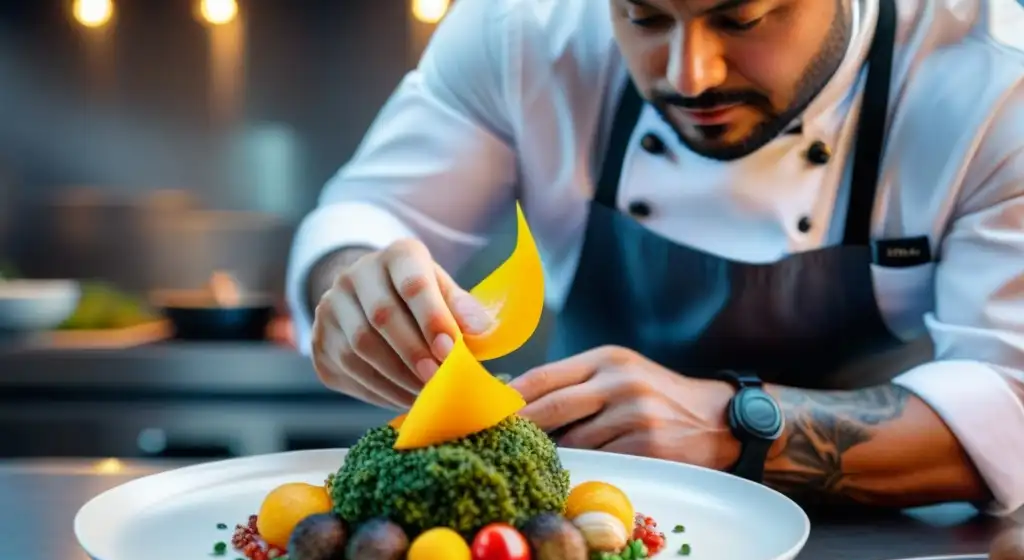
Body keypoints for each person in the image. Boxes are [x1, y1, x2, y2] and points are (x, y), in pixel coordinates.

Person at [285, 0, 1024, 513]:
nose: (689, 74)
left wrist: (732, 423)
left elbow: (1010, 405)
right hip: (581, 550)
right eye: (642, 16)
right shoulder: (522, 32)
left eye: (742, 17)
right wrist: (358, 285)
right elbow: (364, 217)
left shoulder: (991, 81)